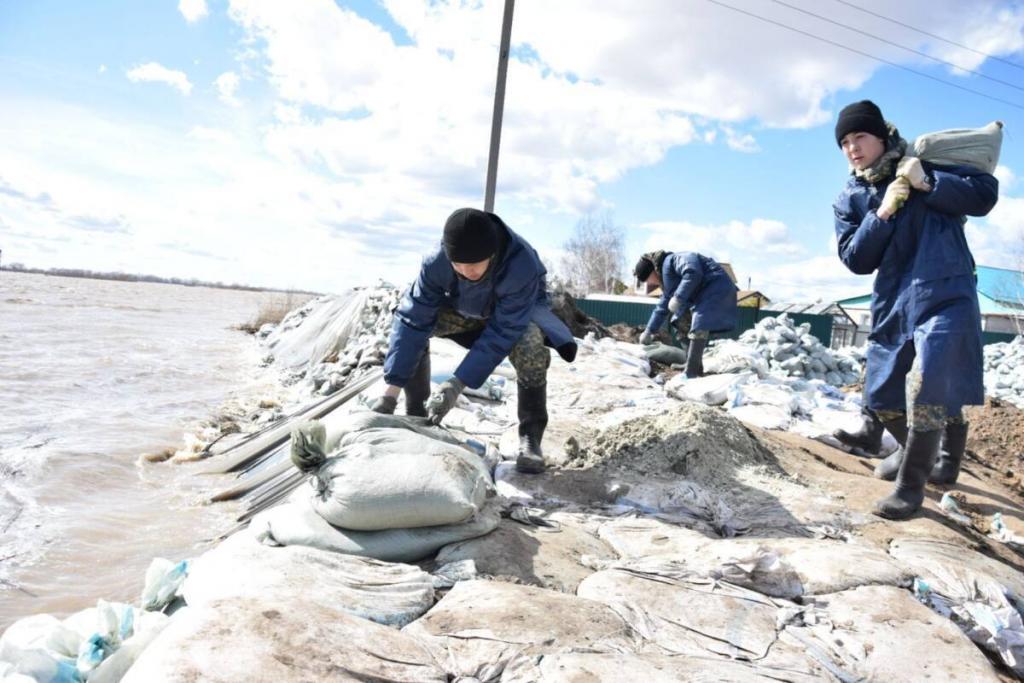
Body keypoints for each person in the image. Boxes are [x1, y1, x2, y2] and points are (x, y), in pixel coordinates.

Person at [832, 100, 997, 520]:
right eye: (845, 142)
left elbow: (983, 195)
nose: (852, 147)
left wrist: (927, 182)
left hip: (945, 288)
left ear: (881, 136)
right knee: (883, 395)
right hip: (893, 299)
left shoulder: (924, 164)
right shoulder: (851, 196)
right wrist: (883, 212)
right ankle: (920, 452)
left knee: (930, 381)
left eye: (860, 137)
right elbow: (855, 259)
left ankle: (911, 486)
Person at [372, 207, 577, 474]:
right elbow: (413, 320)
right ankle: (417, 414)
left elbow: (503, 331)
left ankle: (531, 437)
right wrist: (391, 392)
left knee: (531, 345)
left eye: (473, 265)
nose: (464, 271)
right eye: (457, 265)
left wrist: (456, 384)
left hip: (512, 314)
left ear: (492, 256)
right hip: (464, 308)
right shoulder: (437, 261)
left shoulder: (520, 265)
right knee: (417, 324)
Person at [634, 251, 738, 378]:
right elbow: (662, 307)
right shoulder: (666, 280)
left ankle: (692, 371)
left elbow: (693, 271)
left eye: (648, 279)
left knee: (699, 323)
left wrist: (678, 297)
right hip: (704, 295)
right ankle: (692, 363)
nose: (650, 283)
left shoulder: (674, 260)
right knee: (679, 320)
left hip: (716, 288)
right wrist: (649, 331)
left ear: (652, 271)